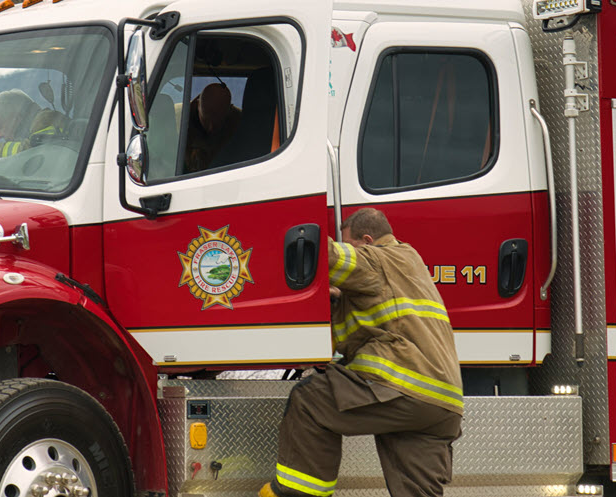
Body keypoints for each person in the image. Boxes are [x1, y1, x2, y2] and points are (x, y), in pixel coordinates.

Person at [263, 208, 462, 497]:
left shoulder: (377, 259)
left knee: (310, 399)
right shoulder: (410, 262)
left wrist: (274, 221)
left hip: (403, 385)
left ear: (367, 241)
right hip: (442, 404)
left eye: (351, 245)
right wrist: (336, 301)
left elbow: (321, 254)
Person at [0, 89, 66, 164]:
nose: (0, 135)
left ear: (15, 118)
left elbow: (31, 151)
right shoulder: (32, 129)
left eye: (0, 127)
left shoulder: (47, 120)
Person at [182, 82, 240, 174]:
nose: (211, 128)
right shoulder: (180, 124)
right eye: (206, 120)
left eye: (217, 120)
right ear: (197, 107)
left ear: (229, 110)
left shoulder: (240, 125)